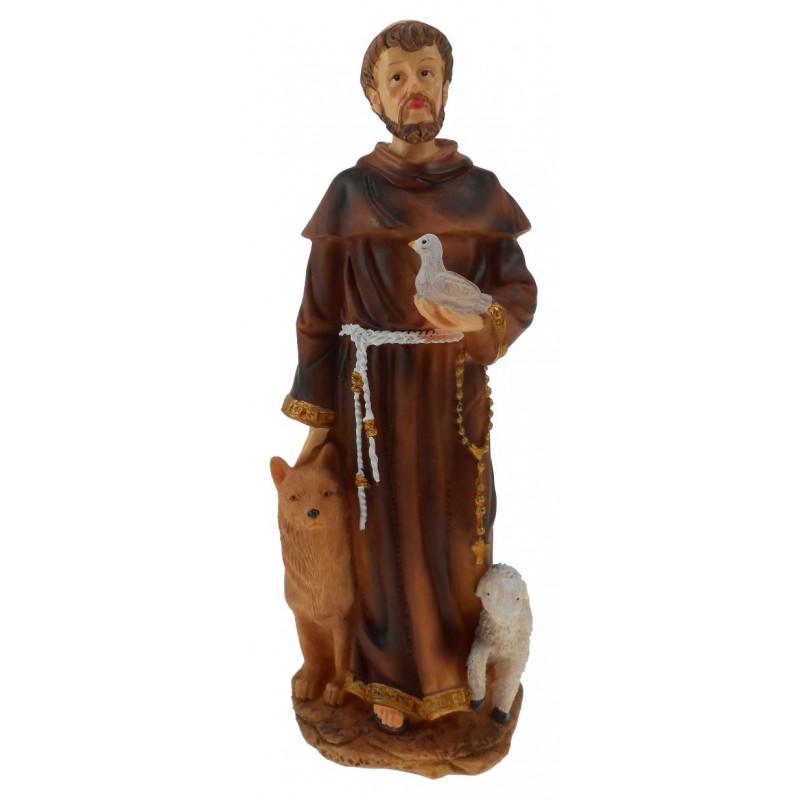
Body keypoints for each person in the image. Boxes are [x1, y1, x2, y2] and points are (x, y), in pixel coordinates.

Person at [282, 20, 537, 732]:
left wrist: (478, 327)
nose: (413, 88)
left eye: (427, 73)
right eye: (396, 77)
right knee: (380, 543)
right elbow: (317, 316)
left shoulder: (480, 193)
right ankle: (386, 686)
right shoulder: (350, 193)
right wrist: (316, 422)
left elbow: (517, 293)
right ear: (374, 95)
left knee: (456, 537)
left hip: (452, 395)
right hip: (369, 399)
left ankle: (462, 681)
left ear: (446, 86)